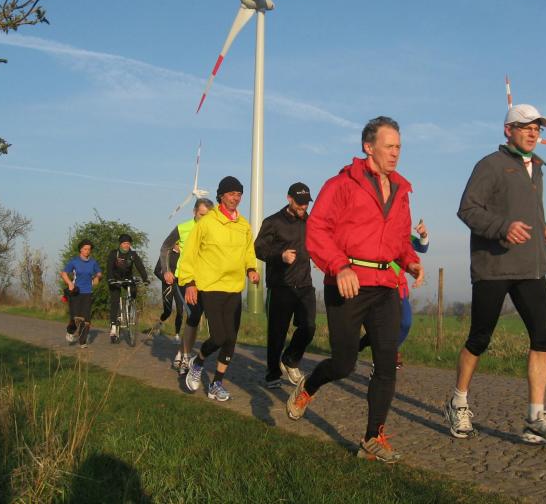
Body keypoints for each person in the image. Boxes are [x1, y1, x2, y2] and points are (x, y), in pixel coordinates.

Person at [287, 116, 424, 463]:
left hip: (385, 286)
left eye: (399, 147)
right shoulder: (341, 184)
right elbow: (317, 230)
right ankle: (309, 385)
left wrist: (410, 261)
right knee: (344, 363)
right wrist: (340, 266)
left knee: (386, 362)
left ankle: (372, 437)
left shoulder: (402, 190)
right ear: (368, 147)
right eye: (389, 146)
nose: (395, 153)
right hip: (346, 284)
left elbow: (401, 238)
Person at [443, 103, 546, 444]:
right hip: (494, 267)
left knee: (543, 337)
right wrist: (502, 228)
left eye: (537, 128)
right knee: (479, 339)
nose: (533, 133)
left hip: (531, 267)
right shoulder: (490, 165)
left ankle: (535, 417)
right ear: (508, 130)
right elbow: (467, 209)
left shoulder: (536, 167)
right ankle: (458, 402)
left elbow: (527, 211)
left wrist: (544, 229)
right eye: (526, 127)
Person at [178, 176, 260, 402]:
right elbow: (190, 254)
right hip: (210, 287)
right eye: (232, 194)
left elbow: (248, 251)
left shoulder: (244, 225)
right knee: (219, 336)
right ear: (221, 196)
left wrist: (251, 269)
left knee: (231, 339)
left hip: (234, 288)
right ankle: (198, 362)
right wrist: (189, 283)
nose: (236, 198)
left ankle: (216, 384)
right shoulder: (206, 223)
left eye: (239, 194)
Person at [254, 182, 316, 389]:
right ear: (289, 199)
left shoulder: (310, 222)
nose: (303, 207)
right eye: (299, 203)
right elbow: (258, 249)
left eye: (306, 203)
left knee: (309, 326)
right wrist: (280, 256)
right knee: (277, 334)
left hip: (305, 284)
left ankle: (290, 359)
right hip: (280, 286)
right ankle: (272, 374)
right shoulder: (273, 222)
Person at [359, 219, 429, 371]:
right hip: (377, 285)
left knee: (405, 322)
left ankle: (386, 349)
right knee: (379, 325)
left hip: (399, 287)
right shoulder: (372, 230)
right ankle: (382, 355)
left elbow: (422, 247)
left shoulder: (402, 234)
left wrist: (423, 234)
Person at [157, 197, 215, 373]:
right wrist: (166, 270)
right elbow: (165, 247)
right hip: (184, 279)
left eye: (208, 216)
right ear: (194, 212)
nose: (204, 219)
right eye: (201, 215)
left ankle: (181, 352)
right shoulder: (183, 228)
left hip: (206, 280)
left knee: (194, 319)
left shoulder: (214, 229)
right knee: (193, 315)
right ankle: (186, 358)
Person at [107, 234, 149, 343]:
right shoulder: (114, 253)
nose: (126, 245)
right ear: (120, 244)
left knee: (133, 290)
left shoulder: (132, 254)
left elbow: (140, 266)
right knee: (115, 300)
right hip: (115, 279)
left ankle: (130, 308)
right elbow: (109, 268)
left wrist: (145, 278)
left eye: (128, 243)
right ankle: (113, 325)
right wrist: (110, 278)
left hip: (127, 278)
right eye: (124, 243)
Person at [61, 239, 102, 348]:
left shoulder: (93, 262)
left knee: (86, 319)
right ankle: (70, 331)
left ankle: (82, 341)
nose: (87, 251)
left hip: (88, 292)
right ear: (80, 249)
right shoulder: (74, 262)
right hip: (76, 291)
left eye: (89, 249)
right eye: (85, 249)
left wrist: (97, 277)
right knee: (76, 317)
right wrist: (70, 283)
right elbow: (64, 273)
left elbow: (99, 272)